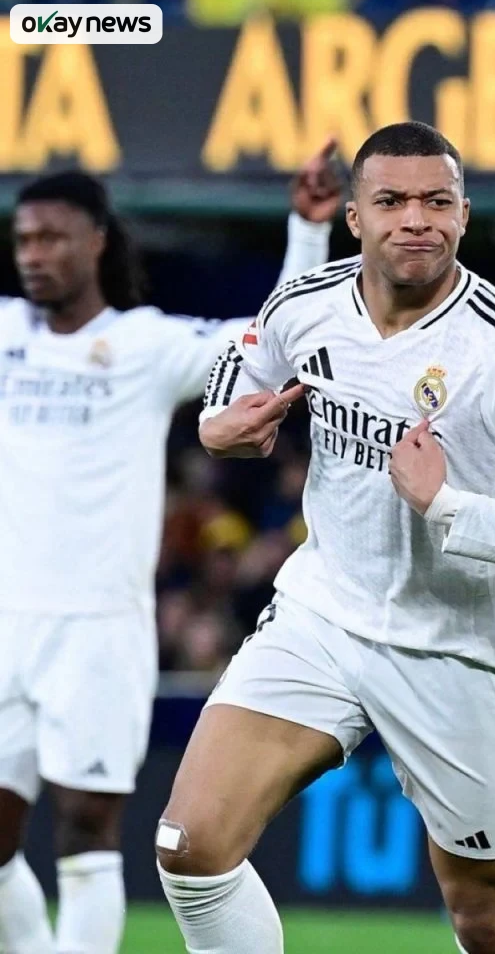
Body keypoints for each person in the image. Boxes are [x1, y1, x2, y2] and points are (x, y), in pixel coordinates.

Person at [157, 122, 495, 954]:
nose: (416, 219)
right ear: (355, 216)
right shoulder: (306, 303)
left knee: (485, 917)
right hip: (324, 616)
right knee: (190, 849)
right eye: (393, 201)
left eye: (437, 202)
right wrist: (216, 423)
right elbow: (248, 357)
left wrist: (449, 507)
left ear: (464, 216)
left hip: (462, 651)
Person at [0, 141, 341, 954]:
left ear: (96, 242)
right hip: (6, 619)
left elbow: (268, 342)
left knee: (86, 828)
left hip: (99, 626)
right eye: (23, 240)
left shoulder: (147, 344)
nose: (34, 254)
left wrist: (306, 231)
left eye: (51, 238)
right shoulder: (5, 331)